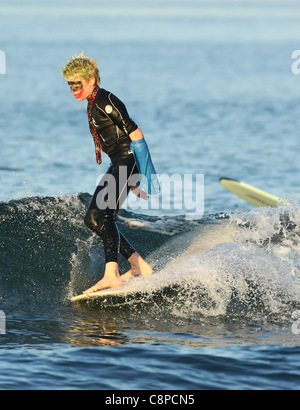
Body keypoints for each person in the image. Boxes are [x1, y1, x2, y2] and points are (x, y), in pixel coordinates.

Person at [62, 53, 153, 294]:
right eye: (70, 85)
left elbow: (135, 134)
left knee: (106, 215)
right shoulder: (93, 102)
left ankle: (111, 274)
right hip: (119, 163)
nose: (73, 90)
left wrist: (142, 174)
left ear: (91, 80)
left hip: (128, 159)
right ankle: (138, 265)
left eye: (77, 84)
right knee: (93, 219)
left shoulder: (105, 100)